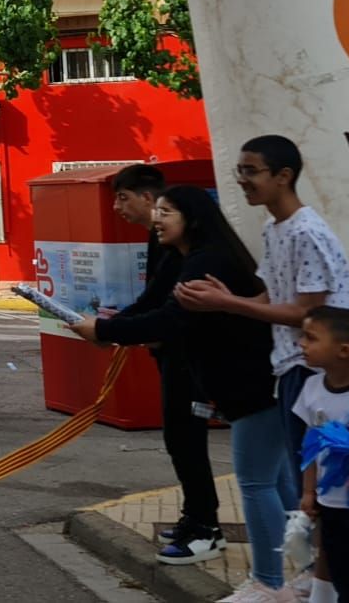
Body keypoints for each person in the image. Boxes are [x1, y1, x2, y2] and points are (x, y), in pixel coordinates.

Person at [72, 186, 291, 603]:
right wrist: (108, 328)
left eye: (166, 211)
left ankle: (271, 584)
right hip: (243, 384)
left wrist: (103, 332)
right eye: (156, 210)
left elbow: (171, 320)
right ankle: (306, 568)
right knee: (277, 482)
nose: (156, 218)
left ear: (192, 217)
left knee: (258, 483)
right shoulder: (184, 257)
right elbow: (153, 305)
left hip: (253, 384)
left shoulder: (209, 262)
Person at [176, 136, 349, 507]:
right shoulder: (275, 229)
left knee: (326, 485)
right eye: (239, 170)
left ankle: (328, 562)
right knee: (304, 480)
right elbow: (273, 298)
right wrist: (225, 300)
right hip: (294, 367)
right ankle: (314, 562)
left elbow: (308, 312)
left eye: (251, 171)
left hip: (321, 372)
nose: (242, 180)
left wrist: (226, 302)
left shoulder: (306, 232)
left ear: (283, 176)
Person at [105, 164, 222, 564]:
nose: (117, 207)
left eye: (123, 197)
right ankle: (197, 517)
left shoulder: (199, 257)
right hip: (174, 356)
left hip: (195, 363)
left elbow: (170, 312)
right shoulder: (166, 245)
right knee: (179, 439)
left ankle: (206, 526)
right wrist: (117, 324)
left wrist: (112, 330)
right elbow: (155, 299)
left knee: (191, 442)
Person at [294, 305, 349, 603]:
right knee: (337, 563)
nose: (301, 344)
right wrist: (309, 491)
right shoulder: (311, 388)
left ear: (343, 350)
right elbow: (311, 444)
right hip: (330, 501)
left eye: (310, 337)